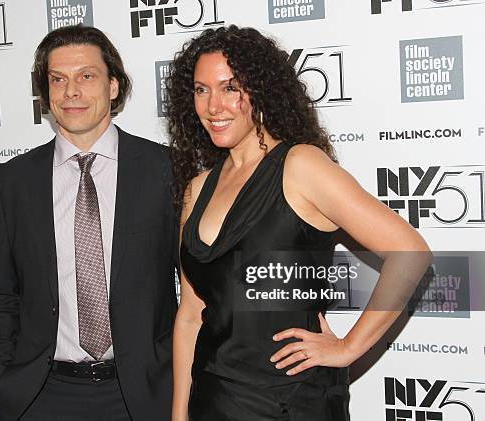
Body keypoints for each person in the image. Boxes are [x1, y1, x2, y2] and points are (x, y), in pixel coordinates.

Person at [166, 25, 431, 420]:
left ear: (260, 90)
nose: (213, 106)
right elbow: (190, 314)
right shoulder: (197, 189)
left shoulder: (300, 166)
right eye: (202, 90)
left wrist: (347, 348)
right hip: (214, 399)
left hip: (289, 402)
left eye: (231, 88)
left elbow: (410, 253)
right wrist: (179, 413)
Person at [0, 25, 178, 421]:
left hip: (144, 395)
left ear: (114, 86)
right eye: (57, 79)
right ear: (46, 93)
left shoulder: (165, 170)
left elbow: (198, 289)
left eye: (86, 76)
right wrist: (3, 381)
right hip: (41, 395)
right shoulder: (13, 180)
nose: (71, 91)